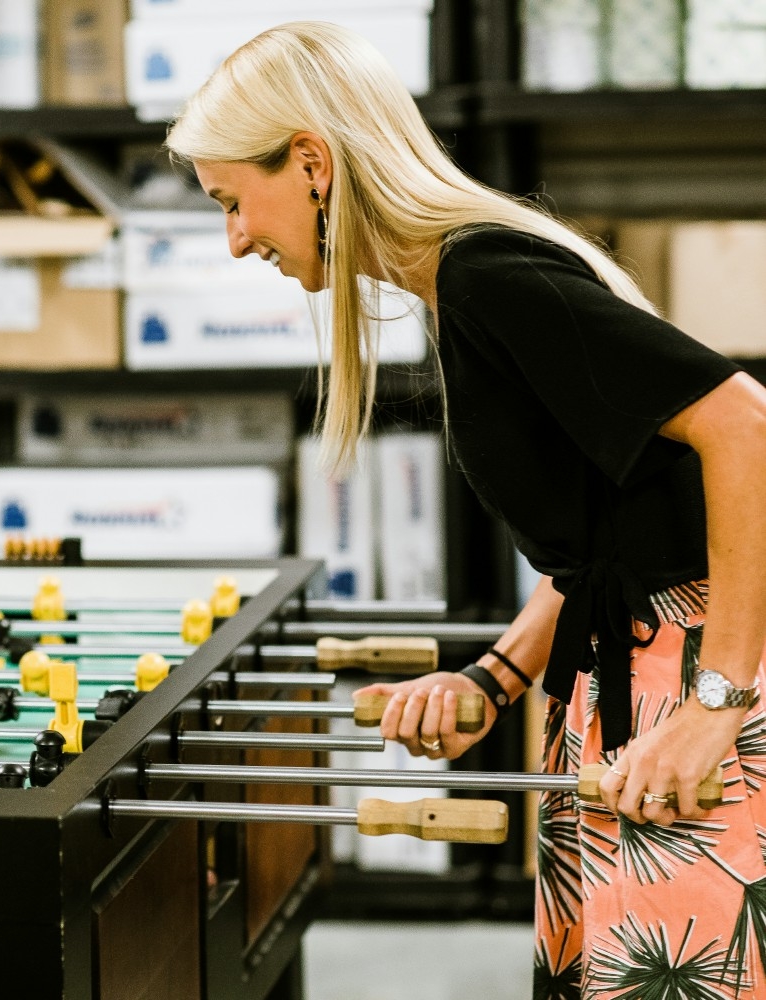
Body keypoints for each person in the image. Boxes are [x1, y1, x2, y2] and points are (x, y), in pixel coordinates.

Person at [166, 20, 766, 998]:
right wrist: (494, 678)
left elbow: (747, 426)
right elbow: (610, 543)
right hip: (631, 677)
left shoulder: (483, 273)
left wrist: (716, 703)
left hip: (693, 695)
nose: (236, 239)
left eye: (234, 201)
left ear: (312, 163)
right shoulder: (456, 284)